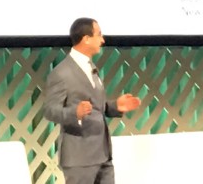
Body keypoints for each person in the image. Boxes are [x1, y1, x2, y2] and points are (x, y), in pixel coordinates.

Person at [42, 17, 142, 184]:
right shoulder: (62, 73)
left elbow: (96, 107)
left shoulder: (91, 67)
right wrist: (75, 113)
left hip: (103, 154)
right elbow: (50, 110)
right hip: (79, 158)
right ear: (86, 39)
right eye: (99, 35)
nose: (103, 40)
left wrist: (115, 106)